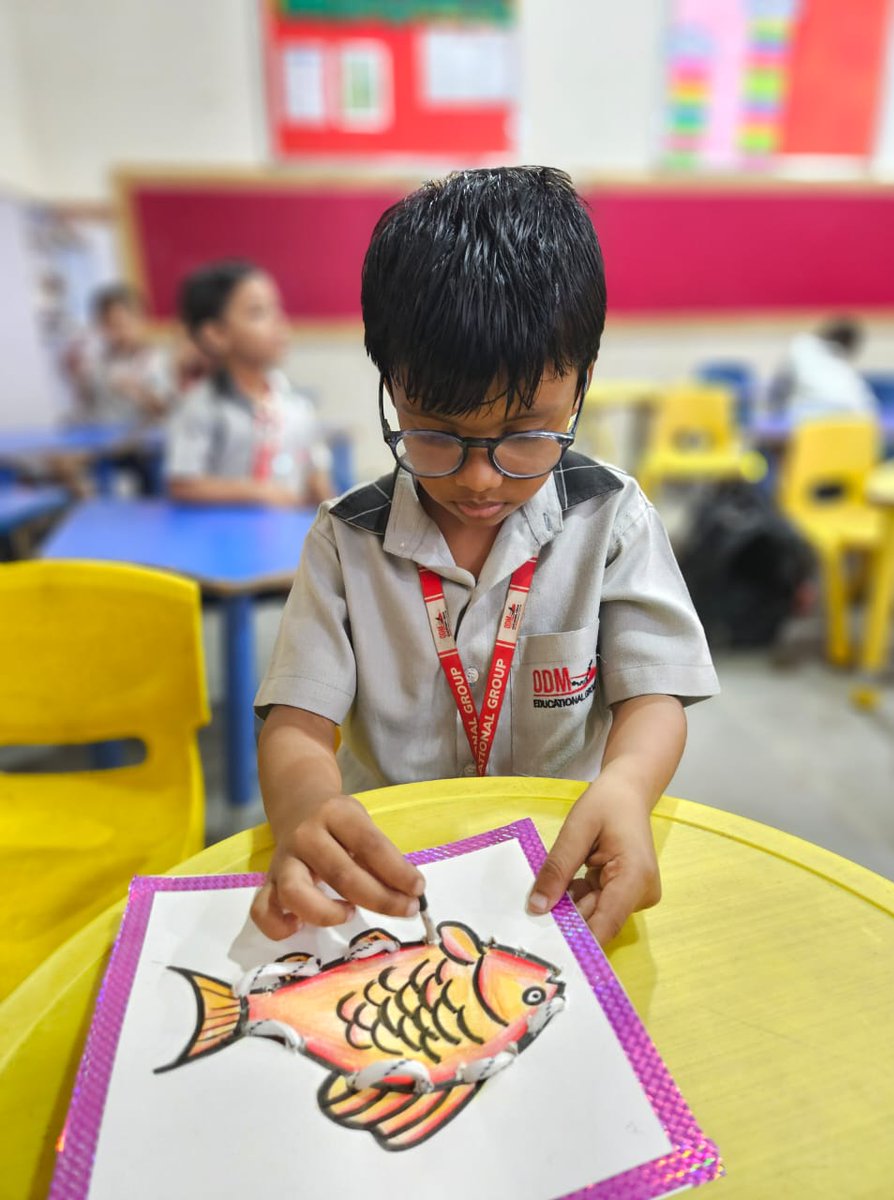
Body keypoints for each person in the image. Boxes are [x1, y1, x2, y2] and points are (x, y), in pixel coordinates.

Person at [251, 167, 719, 948]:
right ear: (390, 391)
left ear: (580, 387)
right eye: (436, 432)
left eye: (526, 433)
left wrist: (629, 786)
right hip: (390, 870)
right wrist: (303, 808)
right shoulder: (347, 538)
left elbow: (654, 696)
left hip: (560, 861)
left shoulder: (611, 517)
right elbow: (298, 724)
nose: (479, 477)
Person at [166, 260, 333, 506]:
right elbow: (183, 484)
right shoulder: (201, 406)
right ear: (216, 334)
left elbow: (315, 473)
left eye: (276, 308)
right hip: (229, 541)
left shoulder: (294, 403)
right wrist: (261, 492)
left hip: (289, 537)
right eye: (258, 312)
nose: (278, 322)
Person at [67, 283, 173, 425]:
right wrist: (78, 381)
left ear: (141, 320)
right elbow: (91, 406)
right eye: (109, 326)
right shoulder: (99, 363)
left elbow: (169, 411)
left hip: (148, 442)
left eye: (123, 324)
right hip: (108, 441)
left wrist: (139, 393)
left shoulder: (158, 359)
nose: (118, 333)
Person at [770, 317, 877, 421]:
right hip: (853, 423)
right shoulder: (803, 349)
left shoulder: (800, 347)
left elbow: (778, 389)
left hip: (809, 423)